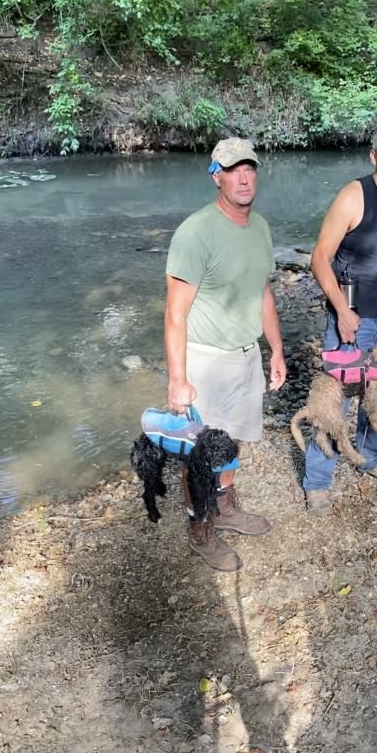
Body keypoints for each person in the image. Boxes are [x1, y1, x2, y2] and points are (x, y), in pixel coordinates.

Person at [164, 137, 287, 570]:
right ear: (216, 175)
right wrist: (178, 379)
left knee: (232, 437)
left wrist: (276, 349)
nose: (244, 177)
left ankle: (226, 504)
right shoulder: (195, 233)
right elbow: (175, 314)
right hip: (205, 359)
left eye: (249, 167)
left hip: (244, 355)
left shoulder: (261, 228)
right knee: (200, 452)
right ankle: (201, 527)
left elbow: (263, 292)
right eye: (233, 169)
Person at [302, 120, 377, 513]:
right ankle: (318, 482)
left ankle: (371, 457)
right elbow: (319, 259)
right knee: (333, 399)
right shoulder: (353, 196)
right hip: (352, 318)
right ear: (374, 156)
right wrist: (342, 309)